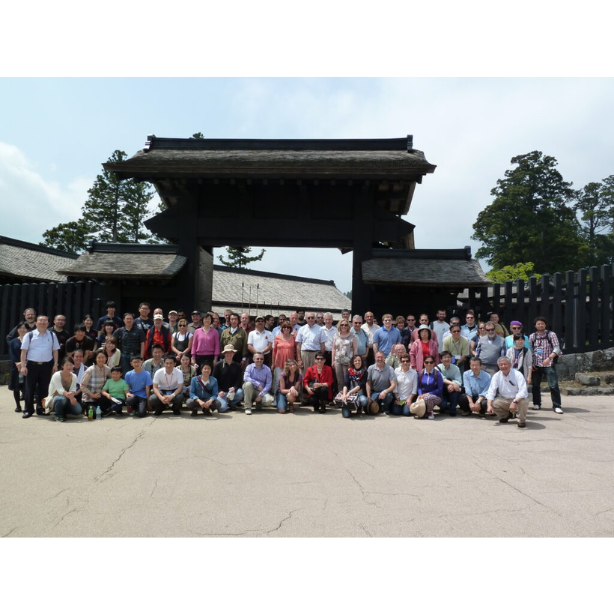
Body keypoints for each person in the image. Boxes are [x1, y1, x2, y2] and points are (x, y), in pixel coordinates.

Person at [20, 315, 60, 419]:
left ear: (48, 323)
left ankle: (41, 408)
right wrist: (23, 366)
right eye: (40, 321)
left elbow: (55, 351)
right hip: (32, 365)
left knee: (44, 388)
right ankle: (28, 410)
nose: (42, 322)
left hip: (47, 365)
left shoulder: (52, 335)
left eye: (45, 321)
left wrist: (55, 364)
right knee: (30, 388)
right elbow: (24, 352)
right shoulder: (29, 335)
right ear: (36, 323)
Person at [529, 316, 563, 414]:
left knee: (553, 385)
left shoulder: (551, 334)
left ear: (545, 325)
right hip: (536, 364)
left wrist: (549, 358)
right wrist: (531, 363)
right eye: (538, 324)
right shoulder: (532, 336)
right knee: (535, 385)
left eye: (542, 324)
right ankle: (536, 403)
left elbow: (557, 348)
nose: (540, 325)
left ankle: (557, 405)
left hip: (549, 364)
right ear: (535, 325)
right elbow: (530, 350)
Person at [486, 356, 529, 428]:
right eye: (501, 365)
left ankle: (521, 420)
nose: (503, 366)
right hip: (505, 399)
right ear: (498, 366)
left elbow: (523, 391)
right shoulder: (496, 376)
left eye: (505, 364)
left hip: (517, 399)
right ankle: (506, 416)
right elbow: (491, 391)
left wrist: (514, 402)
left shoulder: (517, 374)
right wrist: (489, 405)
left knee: (524, 401)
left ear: (510, 365)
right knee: (494, 403)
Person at [46, 356, 83, 422]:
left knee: (78, 410)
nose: (69, 367)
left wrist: (72, 396)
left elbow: (73, 389)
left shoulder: (74, 376)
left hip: (68, 397)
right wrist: (71, 397)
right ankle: (58, 415)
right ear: (62, 366)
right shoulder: (57, 375)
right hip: (55, 397)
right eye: (67, 365)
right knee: (62, 399)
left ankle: (63, 410)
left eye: (71, 365)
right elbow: (60, 390)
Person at [213, 345, 245, 412]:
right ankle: (224, 402)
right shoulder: (218, 365)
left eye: (231, 352)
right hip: (222, 392)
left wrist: (235, 388)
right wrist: (219, 391)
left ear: (233, 354)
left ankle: (232, 403)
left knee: (240, 392)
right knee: (222, 409)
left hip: (232, 392)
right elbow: (214, 380)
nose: (229, 354)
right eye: (227, 353)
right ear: (224, 354)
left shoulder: (237, 365)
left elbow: (239, 379)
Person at [80, 349, 112, 415]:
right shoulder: (90, 370)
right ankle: (86, 408)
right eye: (99, 358)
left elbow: (113, 380)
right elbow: (82, 386)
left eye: (103, 357)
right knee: (94, 414)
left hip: (100, 397)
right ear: (95, 359)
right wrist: (92, 395)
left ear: (106, 358)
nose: (101, 359)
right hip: (90, 397)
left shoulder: (107, 369)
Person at [414, 355, 443, 420]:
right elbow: (418, 387)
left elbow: (440, 389)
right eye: (427, 362)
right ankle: (425, 412)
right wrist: (420, 394)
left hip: (436, 396)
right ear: (424, 363)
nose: (429, 364)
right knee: (425, 398)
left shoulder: (437, 374)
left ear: (434, 363)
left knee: (428, 398)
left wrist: (428, 394)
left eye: (431, 362)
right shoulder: (420, 373)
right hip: (423, 396)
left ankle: (430, 412)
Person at [331, 319, 357, 390]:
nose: (344, 326)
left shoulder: (352, 336)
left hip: (348, 361)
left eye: (346, 325)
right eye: (342, 325)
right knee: (339, 380)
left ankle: (347, 394)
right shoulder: (336, 335)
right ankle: (340, 394)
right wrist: (333, 361)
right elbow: (334, 349)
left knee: (347, 379)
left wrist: (354, 361)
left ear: (348, 326)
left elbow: (355, 349)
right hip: (337, 361)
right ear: (339, 325)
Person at [272, 321, 297, 393]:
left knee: (289, 379)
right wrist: (273, 363)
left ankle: (288, 395)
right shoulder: (277, 337)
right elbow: (274, 351)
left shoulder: (293, 338)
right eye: (284, 327)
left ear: (290, 329)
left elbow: (296, 349)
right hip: (279, 361)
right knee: (277, 379)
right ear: (282, 328)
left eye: (288, 327)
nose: (286, 329)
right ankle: (275, 396)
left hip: (290, 362)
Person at [8, 321, 28, 412]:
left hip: (28, 366)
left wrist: (24, 363)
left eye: (24, 328)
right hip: (16, 367)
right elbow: (12, 354)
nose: (22, 330)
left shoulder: (30, 340)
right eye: (20, 328)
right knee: (16, 387)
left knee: (27, 387)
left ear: (27, 330)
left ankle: (27, 406)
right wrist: (18, 363)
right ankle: (18, 405)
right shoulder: (13, 341)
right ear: (17, 330)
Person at [436, 351, 462, 416]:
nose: (447, 359)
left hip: (452, 389)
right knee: (443, 404)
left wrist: (452, 386)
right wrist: (452, 384)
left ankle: (453, 409)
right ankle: (443, 407)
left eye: (449, 357)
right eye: (445, 357)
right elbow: (442, 379)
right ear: (441, 359)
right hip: (442, 390)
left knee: (456, 390)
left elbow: (459, 381)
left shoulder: (456, 368)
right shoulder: (437, 368)